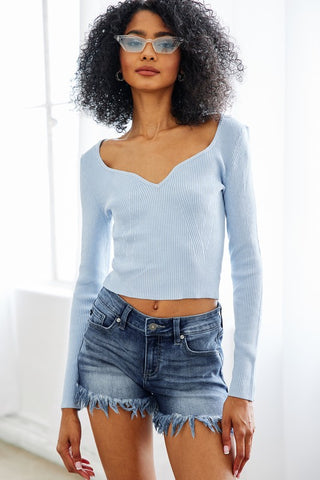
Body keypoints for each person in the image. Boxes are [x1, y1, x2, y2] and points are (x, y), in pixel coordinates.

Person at [56, 1, 263, 479]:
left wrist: (243, 390)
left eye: (164, 41)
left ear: (185, 55)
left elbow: (248, 264)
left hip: (193, 348)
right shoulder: (97, 162)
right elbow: (88, 280)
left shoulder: (224, 138)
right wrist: (68, 402)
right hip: (111, 342)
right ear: (117, 59)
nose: (148, 52)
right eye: (134, 40)